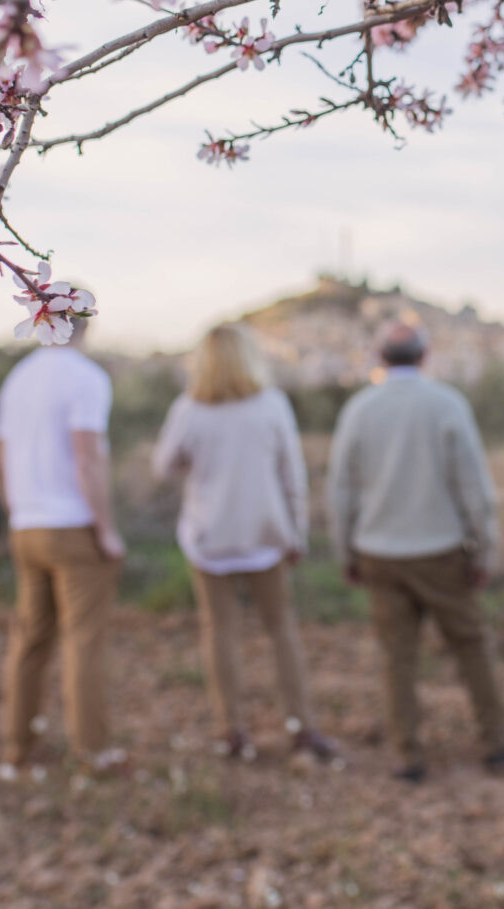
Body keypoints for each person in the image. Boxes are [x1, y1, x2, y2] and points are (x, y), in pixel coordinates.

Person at [328, 321, 504, 783]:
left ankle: (408, 754)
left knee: (396, 656)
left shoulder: (360, 410)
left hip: (378, 553)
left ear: (380, 358)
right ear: (425, 356)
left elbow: (341, 489)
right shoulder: (446, 404)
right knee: (470, 646)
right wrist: (483, 552)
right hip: (440, 552)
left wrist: (345, 552)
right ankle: (496, 741)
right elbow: (474, 489)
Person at [152, 323, 338, 762]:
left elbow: (164, 466)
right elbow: (292, 474)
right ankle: (300, 727)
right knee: (280, 630)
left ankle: (231, 729)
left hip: (209, 539)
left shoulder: (189, 410)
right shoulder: (271, 405)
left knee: (219, 632)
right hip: (265, 536)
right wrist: (296, 533)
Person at [0, 303, 125, 781]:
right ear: (85, 325)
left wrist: (17, 514)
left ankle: (17, 750)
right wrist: (106, 530)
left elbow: (3, 456)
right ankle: (91, 752)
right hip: (72, 524)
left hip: (26, 525)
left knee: (29, 642)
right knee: (83, 642)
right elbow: (87, 458)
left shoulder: (18, 378)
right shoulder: (86, 378)